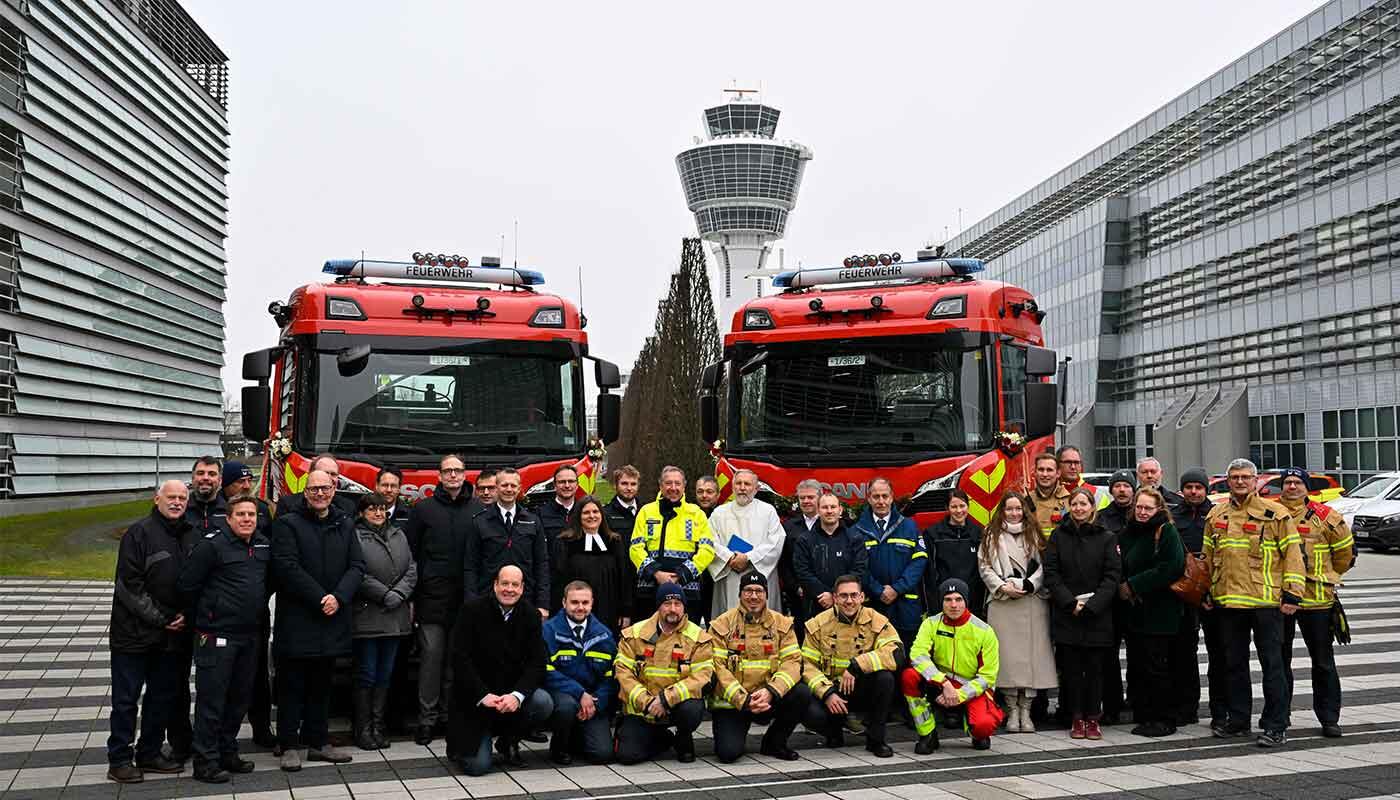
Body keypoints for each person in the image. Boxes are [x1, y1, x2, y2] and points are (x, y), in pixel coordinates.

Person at [1203, 458, 1306, 747]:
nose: (1239, 482)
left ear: (1255, 480)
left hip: (1267, 603)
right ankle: (1238, 721)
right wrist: (1208, 592)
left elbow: (1293, 557)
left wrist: (1293, 594)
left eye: (1245, 477)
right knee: (1233, 666)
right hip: (1228, 604)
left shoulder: (1275, 513)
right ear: (1227, 480)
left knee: (1273, 666)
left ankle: (1276, 725)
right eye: (1234, 477)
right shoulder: (1217, 514)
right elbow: (1208, 557)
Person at [269, 469, 365, 771]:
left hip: (332, 618)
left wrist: (339, 596)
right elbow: (287, 567)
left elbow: (357, 565)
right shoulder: (287, 524)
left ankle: (318, 742)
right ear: (305, 492)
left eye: (325, 488)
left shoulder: (345, 523)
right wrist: (320, 597)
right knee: (291, 686)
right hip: (299, 618)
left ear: (334, 490)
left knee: (322, 686)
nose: (320, 494)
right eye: (314, 490)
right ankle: (288, 744)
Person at [177, 494, 272, 782]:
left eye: (251, 515)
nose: (247, 519)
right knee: (212, 701)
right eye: (241, 514)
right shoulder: (212, 546)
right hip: (216, 635)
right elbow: (187, 586)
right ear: (228, 518)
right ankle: (205, 762)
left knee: (239, 699)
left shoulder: (263, 545)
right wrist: (207, 618)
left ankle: (227, 752)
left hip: (249, 636)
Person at [106, 480, 191, 784]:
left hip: (169, 637)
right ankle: (119, 759)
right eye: (171, 497)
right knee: (126, 700)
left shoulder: (187, 534)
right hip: (133, 635)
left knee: (160, 697)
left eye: (182, 497)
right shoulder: (138, 533)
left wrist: (184, 616)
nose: (177, 502)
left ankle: (150, 753)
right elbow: (129, 587)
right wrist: (163, 618)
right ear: (157, 499)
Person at [405, 454, 482, 745]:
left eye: (457, 470)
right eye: (447, 471)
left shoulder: (478, 509)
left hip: (465, 601)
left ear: (465, 475)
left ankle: (450, 716)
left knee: (456, 663)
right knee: (431, 661)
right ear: (438, 476)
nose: (452, 475)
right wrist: (413, 597)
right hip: (431, 600)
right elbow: (411, 555)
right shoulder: (422, 509)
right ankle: (426, 720)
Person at [447, 565, 552, 774]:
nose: (509, 589)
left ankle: (508, 741)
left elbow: (537, 663)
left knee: (543, 702)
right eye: (504, 583)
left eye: (515, 585)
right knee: (478, 767)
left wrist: (517, 696)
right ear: (495, 585)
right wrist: (482, 695)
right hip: (477, 699)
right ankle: (464, 744)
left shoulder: (530, 615)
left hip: (509, 698)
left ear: (522, 588)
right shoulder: (471, 610)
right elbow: (459, 659)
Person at [1277, 467, 1354, 738]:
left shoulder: (1326, 517)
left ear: (1307, 487)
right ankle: (1280, 716)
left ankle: (1329, 718)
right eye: (1287, 482)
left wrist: (1328, 577)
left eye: (1298, 482)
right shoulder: (1272, 513)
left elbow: (1345, 554)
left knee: (1323, 663)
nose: (1292, 487)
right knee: (1279, 663)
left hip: (1318, 601)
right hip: (1281, 600)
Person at [1045, 487, 1122, 741]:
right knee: (1071, 670)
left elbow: (1112, 576)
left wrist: (1092, 605)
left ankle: (1093, 717)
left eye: (1084, 504)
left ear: (1092, 507)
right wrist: (1069, 603)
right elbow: (1052, 574)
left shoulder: (1107, 537)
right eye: (1074, 504)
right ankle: (1076, 717)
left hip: (1097, 615)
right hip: (1068, 614)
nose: (1079, 508)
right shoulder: (1058, 536)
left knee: (1096, 670)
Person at [708, 572, 809, 762]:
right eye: (748, 590)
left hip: (768, 697)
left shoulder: (782, 624)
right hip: (733, 702)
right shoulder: (721, 625)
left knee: (802, 693)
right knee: (728, 754)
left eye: (759, 591)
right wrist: (744, 700)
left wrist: (771, 691)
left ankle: (774, 743)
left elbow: (793, 663)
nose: (753, 596)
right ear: (739, 594)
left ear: (766, 595)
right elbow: (717, 668)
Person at [976, 490, 1055, 733]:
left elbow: (1045, 566)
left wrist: (1027, 584)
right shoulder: (991, 535)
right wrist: (1002, 586)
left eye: (1018, 509)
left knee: (1032, 658)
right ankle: (1011, 710)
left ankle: (1027, 711)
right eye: (1009, 509)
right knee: (1007, 659)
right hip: (1003, 601)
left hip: (1031, 600)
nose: (1014, 513)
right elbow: (984, 566)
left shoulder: (1035, 534)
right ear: (1002, 511)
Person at [801, 574, 902, 757]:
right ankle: (833, 732)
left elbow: (896, 652)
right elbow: (806, 666)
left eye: (854, 595)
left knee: (885, 679)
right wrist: (827, 693)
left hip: (860, 688)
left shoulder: (876, 620)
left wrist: (856, 666)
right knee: (807, 707)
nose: (849, 601)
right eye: (843, 596)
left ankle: (876, 740)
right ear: (834, 598)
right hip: (831, 691)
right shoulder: (817, 625)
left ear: (862, 597)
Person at [614, 583, 714, 764]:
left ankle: (683, 737)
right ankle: (664, 738)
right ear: (658, 606)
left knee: (692, 709)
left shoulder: (698, 637)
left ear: (684, 607)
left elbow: (701, 676)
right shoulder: (633, 634)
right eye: (667, 604)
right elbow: (623, 674)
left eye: (678, 604)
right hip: (642, 709)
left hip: (677, 706)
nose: (673, 609)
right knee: (627, 756)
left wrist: (665, 699)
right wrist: (648, 702)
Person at [350, 492, 418, 751]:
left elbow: (411, 567)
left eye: (381, 509)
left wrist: (399, 593)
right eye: (372, 510)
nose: (378, 513)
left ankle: (379, 727)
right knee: (366, 674)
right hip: (368, 615)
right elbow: (357, 571)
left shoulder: (398, 533)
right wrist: (385, 594)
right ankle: (363, 729)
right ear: (362, 513)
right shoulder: (354, 536)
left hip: (395, 616)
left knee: (385, 675)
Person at [902, 578, 1001, 753]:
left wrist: (958, 695)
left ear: (966, 601)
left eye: (958, 599)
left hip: (971, 687)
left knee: (983, 726)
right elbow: (917, 655)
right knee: (909, 676)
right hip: (939, 682)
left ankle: (972, 727)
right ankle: (928, 734)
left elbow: (988, 676)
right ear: (941, 602)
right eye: (948, 600)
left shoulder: (984, 631)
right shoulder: (930, 623)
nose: (953, 605)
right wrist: (943, 683)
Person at [1117, 487, 1186, 738]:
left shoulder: (1165, 531)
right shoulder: (1127, 533)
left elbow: (1172, 567)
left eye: (1148, 508)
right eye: (1139, 507)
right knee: (1139, 665)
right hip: (1135, 612)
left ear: (1159, 509)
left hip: (1161, 611)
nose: (1143, 512)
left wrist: (1134, 584)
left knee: (1159, 666)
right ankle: (1144, 714)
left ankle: (1164, 718)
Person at [220, 461, 276, 749]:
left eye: (248, 480)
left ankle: (261, 727)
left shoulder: (264, 511)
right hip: (222, 619)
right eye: (239, 481)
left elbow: (272, 560)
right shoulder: (217, 513)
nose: (245, 485)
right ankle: (218, 739)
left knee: (257, 678)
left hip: (256, 613)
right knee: (223, 681)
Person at [542, 580, 617, 765]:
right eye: (574, 602)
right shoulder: (549, 630)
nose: (580, 607)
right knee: (566, 706)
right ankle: (559, 746)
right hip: (563, 696)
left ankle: (576, 736)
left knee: (602, 755)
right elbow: (545, 671)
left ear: (592, 603)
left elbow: (612, 677)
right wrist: (579, 693)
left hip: (593, 700)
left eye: (585, 603)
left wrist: (596, 703)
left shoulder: (604, 635)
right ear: (564, 603)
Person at [629, 465, 716, 618]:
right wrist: (656, 573)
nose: (673, 487)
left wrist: (682, 574)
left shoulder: (696, 514)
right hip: (650, 591)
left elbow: (707, 551)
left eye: (678, 483)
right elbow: (635, 548)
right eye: (668, 483)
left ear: (684, 486)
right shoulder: (646, 511)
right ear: (660, 485)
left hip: (687, 590)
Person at [464, 466, 549, 614]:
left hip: (525, 599)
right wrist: (471, 603)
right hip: (487, 600)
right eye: (504, 485)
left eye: (513, 485)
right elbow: (470, 566)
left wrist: (543, 603)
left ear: (519, 489)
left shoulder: (533, 521)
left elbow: (541, 565)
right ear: (496, 488)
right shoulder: (479, 522)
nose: (509, 489)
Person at [854, 478, 927, 650]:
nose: (881, 501)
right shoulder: (857, 531)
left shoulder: (909, 527)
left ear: (892, 497)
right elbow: (858, 568)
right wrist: (879, 591)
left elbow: (919, 561)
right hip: (873, 605)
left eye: (884, 496)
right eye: (876, 496)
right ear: (869, 498)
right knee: (874, 655)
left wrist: (897, 589)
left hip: (905, 605)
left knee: (907, 656)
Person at [1170, 467, 1216, 726]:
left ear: (1206, 489)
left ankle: (1220, 708)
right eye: (1189, 487)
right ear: (1183, 490)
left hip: (1213, 592)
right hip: (1183, 592)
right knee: (1183, 653)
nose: (1194, 491)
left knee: (1219, 652)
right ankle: (1185, 708)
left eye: (1199, 487)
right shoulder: (1173, 515)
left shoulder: (1217, 515)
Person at [707, 469, 785, 618]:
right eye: (738, 483)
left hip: (760, 573)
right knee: (729, 621)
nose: (742, 488)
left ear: (756, 488)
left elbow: (776, 541)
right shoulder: (719, 513)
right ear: (732, 487)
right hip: (729, 574)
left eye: (747, 484)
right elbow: (709, 541)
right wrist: (729, 557)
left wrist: (748, 557)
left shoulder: (768, 511)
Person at [552, 496, 631, 631]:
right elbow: (558, 579)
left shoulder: (614, 541)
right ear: (578, 516)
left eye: (595, 512)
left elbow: (624, 578)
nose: (592, 516)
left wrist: (625, 611)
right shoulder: (565, 542)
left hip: (609, 609)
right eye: (586, 512)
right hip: (576, 610)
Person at [1092, 470, 1134, 724]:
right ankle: (1112, 706)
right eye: (1117, 486)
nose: (1121, 490)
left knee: (1139, 654)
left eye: (1126, 486)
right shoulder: (1102, 519)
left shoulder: (1141, 514)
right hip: (1111, 596)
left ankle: (1138, 702)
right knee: (1108, 655)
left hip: (1136, 595)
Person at [794, 492, 868, 621]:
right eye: (825, 507)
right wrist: (824, 594)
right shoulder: (805, 540)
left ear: (840, 510)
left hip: (848, 605)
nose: (829, 511)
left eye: (833, 507)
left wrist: (837, 596)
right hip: (815, 605)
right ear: (818, 510)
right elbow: (802, 571)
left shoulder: (855, 538)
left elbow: (859, 569)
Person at [923, 489, 985, 616]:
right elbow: (929, 572)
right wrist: (934, 604)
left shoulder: (978, 533)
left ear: (968, 506)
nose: (959, 511)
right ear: (947, 508)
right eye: (954, 506)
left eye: (962, 506)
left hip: (973, 603)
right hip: (944, 602)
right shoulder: (933, 534)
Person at [779, 479, 822, 630]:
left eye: (810, 497)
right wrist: (795, 587)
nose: (806, 501)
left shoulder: (831, 523)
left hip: (827, 594)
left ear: (820, 498)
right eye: (802, 498)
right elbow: (783, 561)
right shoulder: (788, 527)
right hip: (798, 595)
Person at [275, 454, 357, 517]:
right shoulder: (287, 505)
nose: (328, 478)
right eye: (324, 473)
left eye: (333, 474)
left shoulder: (348, 507)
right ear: (310, 474)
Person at [694, 474, 722, 617]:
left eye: (709, 492)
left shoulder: (724, 517)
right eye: (700, 491)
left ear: (718, 495)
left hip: (717, 580)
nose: (704, 496)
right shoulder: (689, 514)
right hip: (693, 580)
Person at [1028, 451, 1070, 539]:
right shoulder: (1026, 500)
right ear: (1034, 472)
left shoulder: (1069, 500)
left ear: (1058, 473)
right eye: (1041, 470)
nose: (1045, 474)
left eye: (1049, 470)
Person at [537, 464, 580, 549]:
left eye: (571, 481)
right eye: (562, 482)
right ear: (555, 485)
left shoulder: (585, 512)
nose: (567, 485)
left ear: (577, 485)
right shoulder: (540, 514)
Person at [602, 464, 642, 539]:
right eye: (624, 483)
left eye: (633, 484)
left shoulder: (646, 511)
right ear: (615, 485)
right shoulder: (605, 514)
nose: (629, 488)